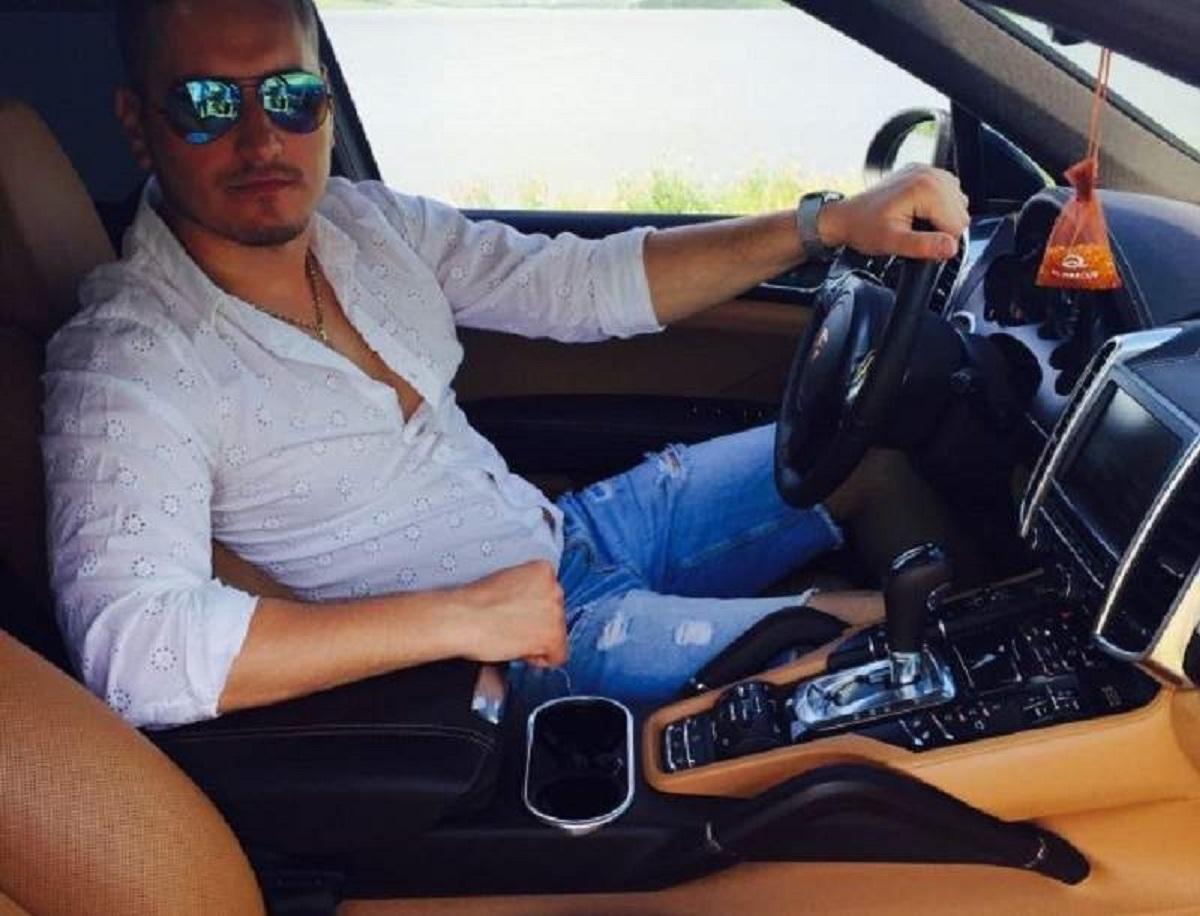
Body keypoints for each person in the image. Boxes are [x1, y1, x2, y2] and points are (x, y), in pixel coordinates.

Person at [41, 0, 970, 728]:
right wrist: (462, 619)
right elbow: (134, 653)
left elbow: (580, 284)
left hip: (572, 534)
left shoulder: (364, 224)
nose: (259, 140)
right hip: (528, 654)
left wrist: (828, 224)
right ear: (138, 123)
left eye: (289, 97)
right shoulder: (127, 357)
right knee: (899, 635)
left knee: (869, 453)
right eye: (207, 104)